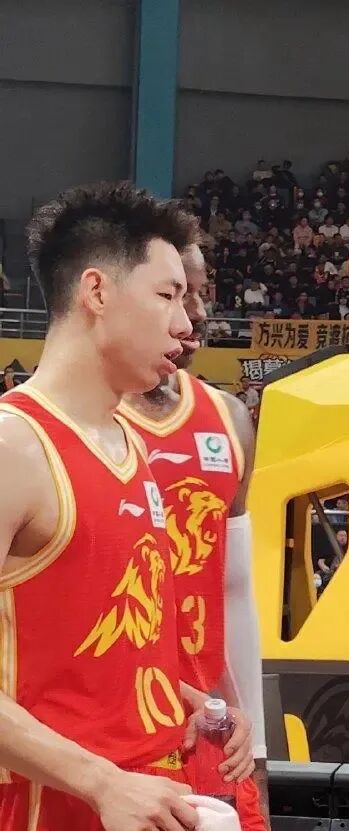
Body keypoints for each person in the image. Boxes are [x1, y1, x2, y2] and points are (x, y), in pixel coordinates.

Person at [0, 183, 251, 830]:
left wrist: (190, 702)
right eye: (167, 295)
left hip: (146, 792)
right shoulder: (13, 445)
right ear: (97, 291)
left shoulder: (127, 445)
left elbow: (94, 651)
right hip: (50, 804)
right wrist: (100, 780)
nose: (185, 323)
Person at [117, 244, 269, 829]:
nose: (197, 313)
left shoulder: (229, 418)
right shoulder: (58, 425)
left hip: (207, 733)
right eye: (175, 293)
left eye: (200, 293)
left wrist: (256, 750)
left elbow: (234, 591)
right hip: (104, 731)